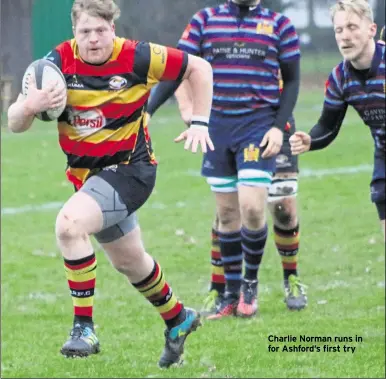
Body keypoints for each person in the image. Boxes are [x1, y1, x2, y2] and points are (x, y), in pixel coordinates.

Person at [7, 0, 214, 368]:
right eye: (85, 32)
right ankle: (178, 318)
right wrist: (28, 105)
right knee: (131, 262)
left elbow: (198, 67)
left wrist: (199, 121)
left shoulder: (137, 57)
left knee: (69, 226)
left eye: (100, 30)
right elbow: (14, 123)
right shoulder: (54, 65)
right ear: (74, 32)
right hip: (89, 180)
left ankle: (83, 328)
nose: (93, 39)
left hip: (132, 170)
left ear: (113, 30)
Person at [146, 0, 306, 320]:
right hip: (217, 128)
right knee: (227, 213)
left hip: (257, 127)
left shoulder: (279, 26)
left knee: (252, 207)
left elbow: (291, 81)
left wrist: (277, 127)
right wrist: (147, 111)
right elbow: (177, 69)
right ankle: (230, 295)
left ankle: (250, 284)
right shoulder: (205, 20)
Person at [289, 0, 385, 240]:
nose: (345, 36)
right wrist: (310, 139)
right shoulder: (340, 78)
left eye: (352, 27)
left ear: (372, 30)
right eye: (339, 30)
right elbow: (328, 126)